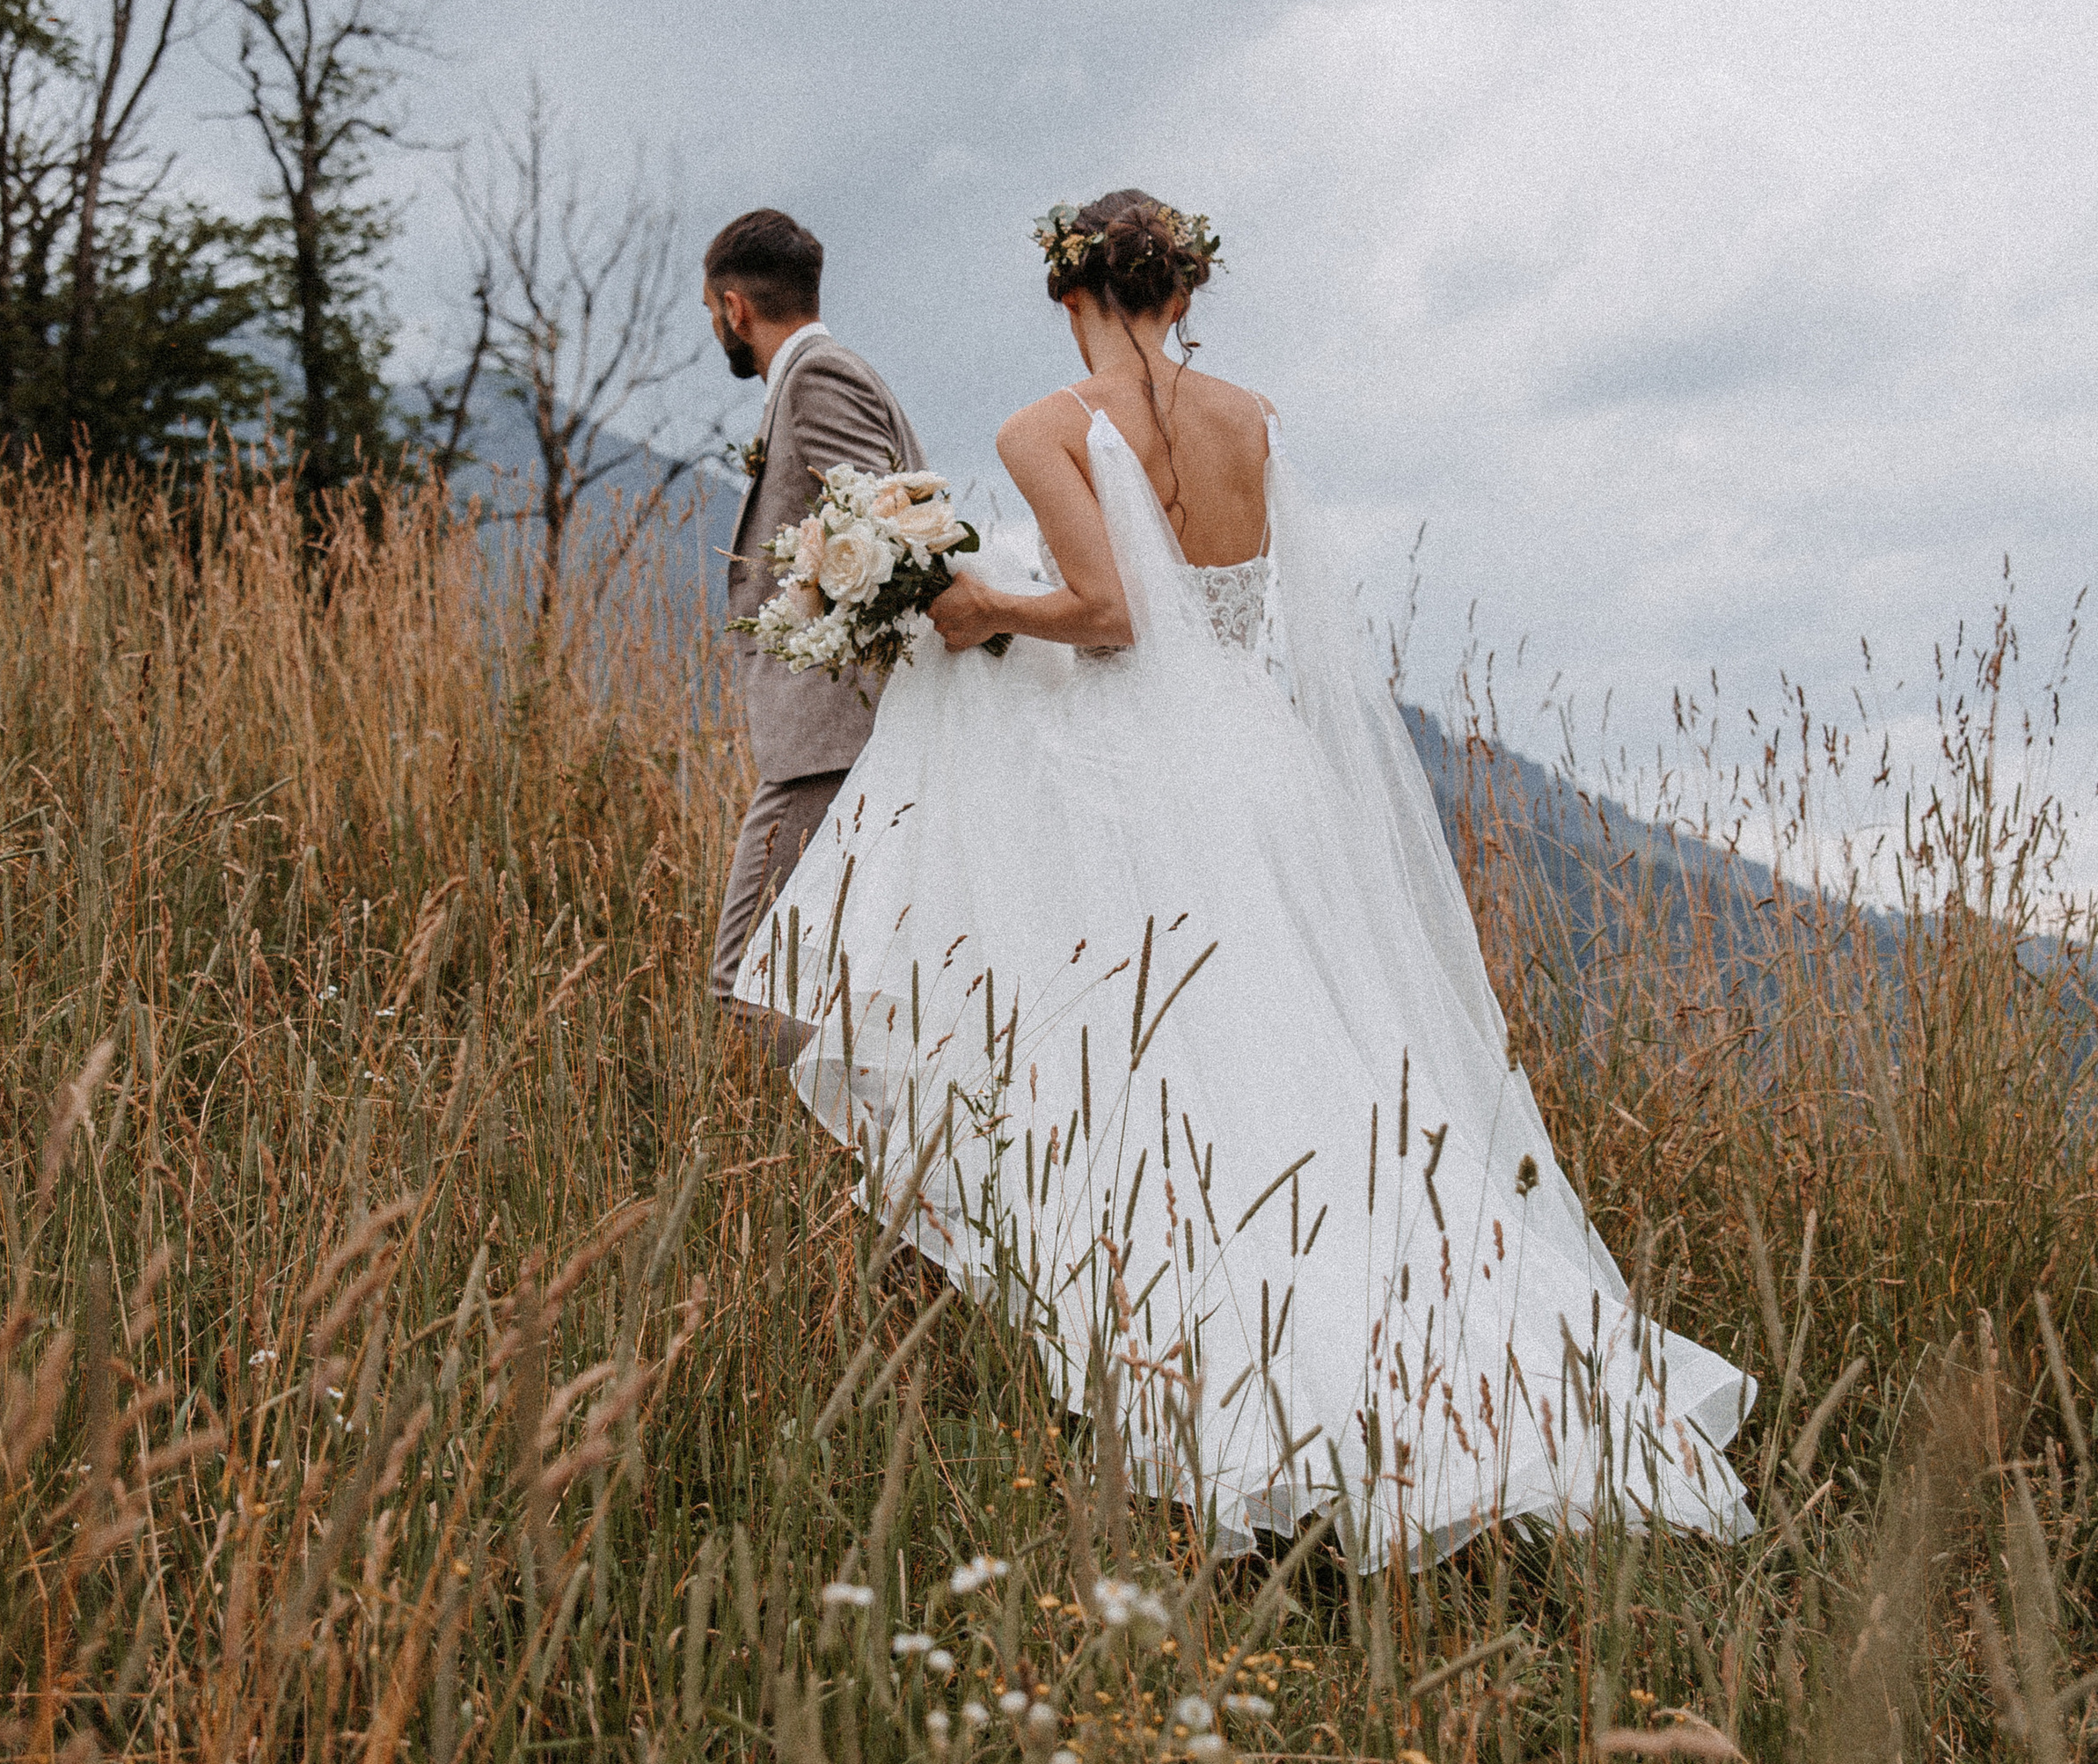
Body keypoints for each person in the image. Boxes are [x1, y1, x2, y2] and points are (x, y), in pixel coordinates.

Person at [735, 188, 1755, 1558]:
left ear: (1067, 292)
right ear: (1183, 291)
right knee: (1313, 1074)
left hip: (1145, 787)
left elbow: (1105, 618)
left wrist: (977, 607)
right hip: (1267, 772)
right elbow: (1217, 616)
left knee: (1173, 1085)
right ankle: (1455, 1367)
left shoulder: (1044, 429)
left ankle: (1255, 1389)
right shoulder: (1252, 422)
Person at [705, 208, 924, 1006]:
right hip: (837, 736)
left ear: (735, 308)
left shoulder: (817, 378)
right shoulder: (813, 379)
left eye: (712, 312)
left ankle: (876, 1124)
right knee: (848, 980)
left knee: (746, 984)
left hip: (835, 739)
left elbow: (894, 540)